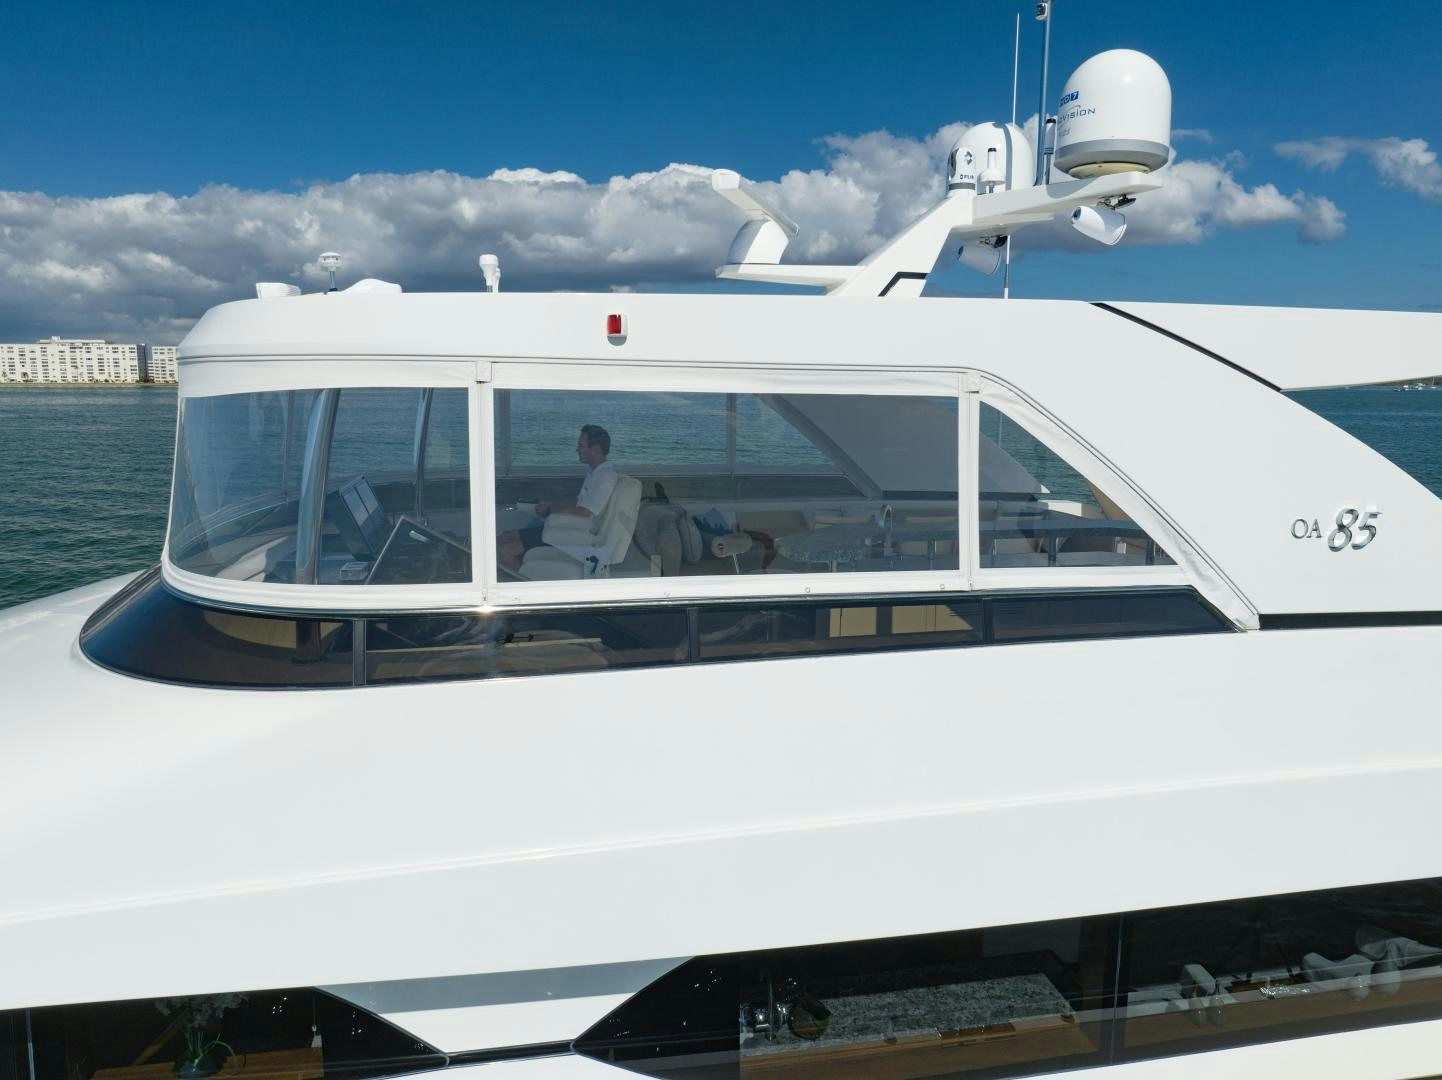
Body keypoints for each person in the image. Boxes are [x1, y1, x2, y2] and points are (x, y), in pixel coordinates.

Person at [499, 424, 617, 572]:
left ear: (596, 450)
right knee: (504, 536)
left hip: (574, 534)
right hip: (567, 528)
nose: (577, 450)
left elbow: (584, 513)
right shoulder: (596, 473)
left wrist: (550, 509)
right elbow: (580, 501)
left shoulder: (604, 478)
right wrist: (553, 503)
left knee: (506, 551)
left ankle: (525, 587)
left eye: (581, 446)